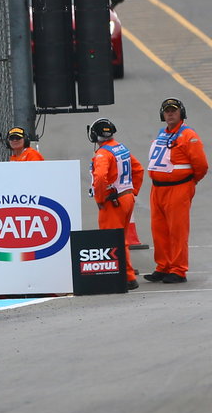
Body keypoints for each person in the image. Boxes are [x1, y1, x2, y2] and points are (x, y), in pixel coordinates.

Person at [144, 97, 207, 283]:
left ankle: (178, 270)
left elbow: (201, 165)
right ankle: (163, 266)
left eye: (173, 110)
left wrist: (189, 182)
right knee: (159, 230)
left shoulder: (188, 135)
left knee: (177, 230)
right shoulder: (162, 133)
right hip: (158, 189)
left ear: (181, 113)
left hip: (178, 188)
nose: (170, 113)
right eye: (167, 111)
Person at [88, 118, 144, 289]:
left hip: (113, 201)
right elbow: (138, 169)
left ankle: (125, 278)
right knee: (121, 238)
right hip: (126, 198)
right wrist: (132, 191)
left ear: (94, 135)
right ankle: (126, 276)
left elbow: (99, 179)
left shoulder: (103, 154)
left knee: (112, 240)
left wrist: (100, 199)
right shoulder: (121, 148)